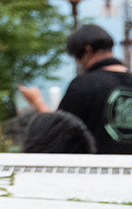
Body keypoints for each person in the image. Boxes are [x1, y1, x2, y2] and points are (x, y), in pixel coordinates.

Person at [20, 24, 132, 155]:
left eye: (76, 56)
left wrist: (37, 101)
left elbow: (58, 131)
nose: (78, 62)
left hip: (93, 170)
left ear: (87, 49)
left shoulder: (83, 85)